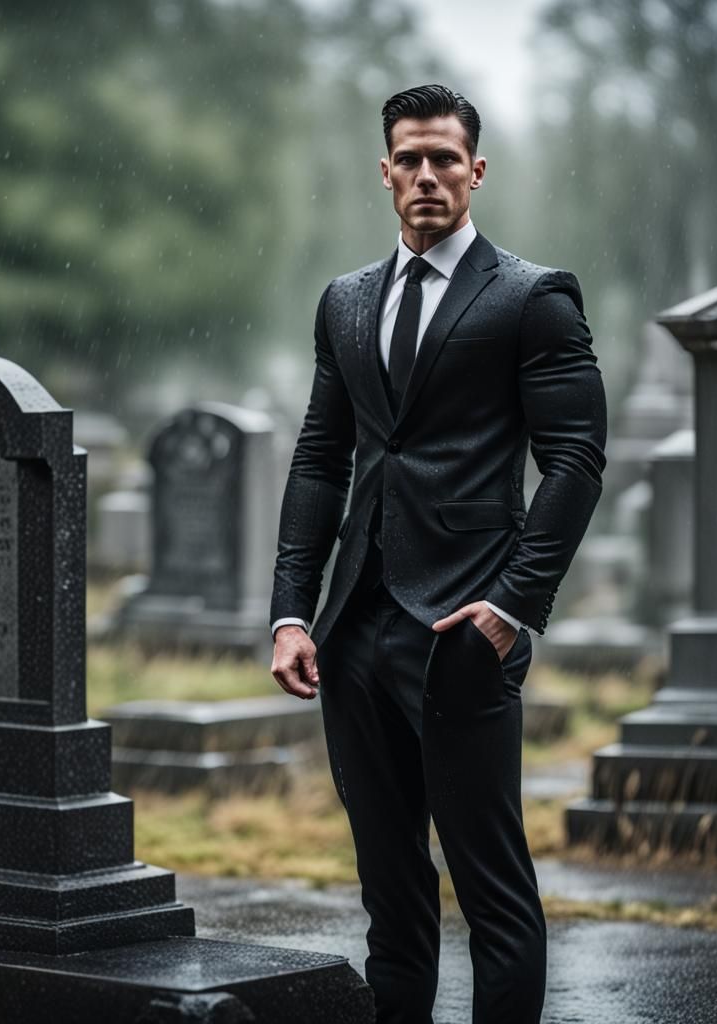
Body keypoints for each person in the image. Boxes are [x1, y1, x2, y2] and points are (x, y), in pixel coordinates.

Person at [269, 84, 607, 1024]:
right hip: (353, 632)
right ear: (384, 172)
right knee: (390, 893)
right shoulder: (346, 301)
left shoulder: (533, 297)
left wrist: (513, 606)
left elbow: (577, 460)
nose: (427, 175)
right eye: (410, 160)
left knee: (491, 890)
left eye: (445, 159)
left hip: (464, 628)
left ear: (476, 171)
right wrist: (292, 611)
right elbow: (320, 458)